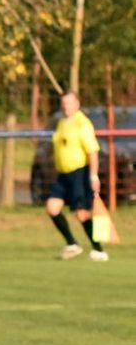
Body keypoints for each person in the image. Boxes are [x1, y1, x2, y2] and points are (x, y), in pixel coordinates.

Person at [46, 91, 107, 262]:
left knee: (82, 213)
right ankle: (72, 244)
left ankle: (98, 249)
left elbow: (93, 151)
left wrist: (94, 176)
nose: (65, 106)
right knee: (52, 208)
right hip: (62, 175)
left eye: (69, 102)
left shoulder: (82, 123)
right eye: (63, 103)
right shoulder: (61, 123)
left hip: (78, 173)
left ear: (77, 104)